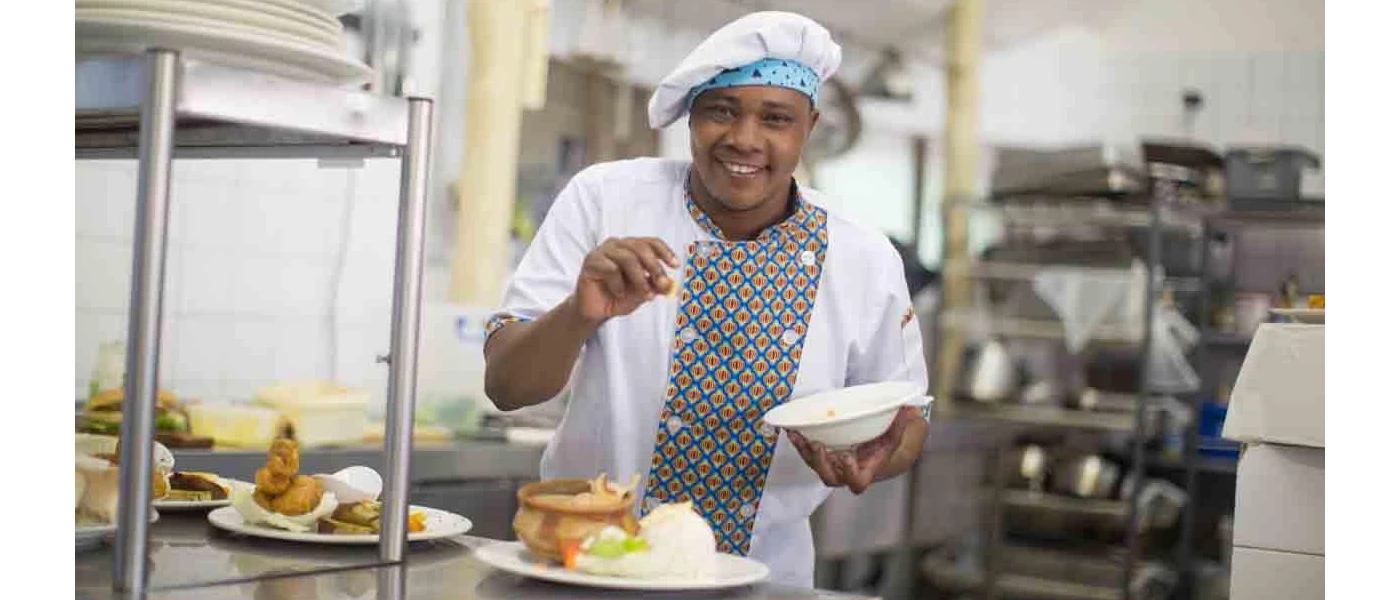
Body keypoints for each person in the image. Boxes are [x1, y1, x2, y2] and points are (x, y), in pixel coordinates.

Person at [483, 11, 929, 588]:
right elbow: (507, 387)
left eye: (775, 119)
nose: (744, 138)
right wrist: (578, 314)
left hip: (765, 578)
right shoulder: (606, 200)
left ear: (809, 127)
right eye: (722, 110)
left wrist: (874, 457)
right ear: (691, 116)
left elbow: (908, 420)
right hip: (588, 568)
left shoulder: (863, 254)